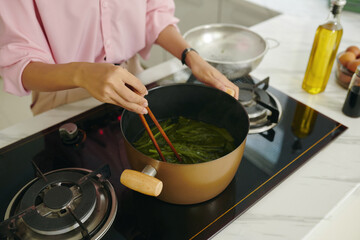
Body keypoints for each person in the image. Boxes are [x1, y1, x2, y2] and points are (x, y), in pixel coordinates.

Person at [0, 0, 239, 116]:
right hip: (63, 92)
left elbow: (152, 13)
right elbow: (20, 62)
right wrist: (83, 74)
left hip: (132, 74)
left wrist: (191, 57)